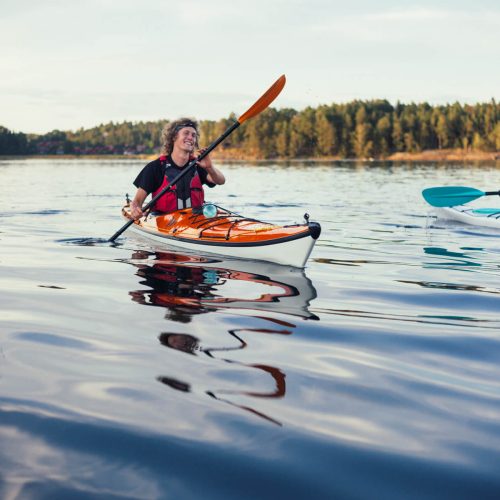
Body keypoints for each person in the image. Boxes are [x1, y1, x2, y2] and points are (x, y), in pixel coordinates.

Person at [130, 118, 225, 220]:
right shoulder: (155, 167)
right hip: (164, 222)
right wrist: (135, 210)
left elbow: (220, 181)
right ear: (174, 136)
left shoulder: (197, 164)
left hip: (195, 221)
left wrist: (210, 168)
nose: (191, 138)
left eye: (193, 135)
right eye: (186, 133)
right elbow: (137, 202)